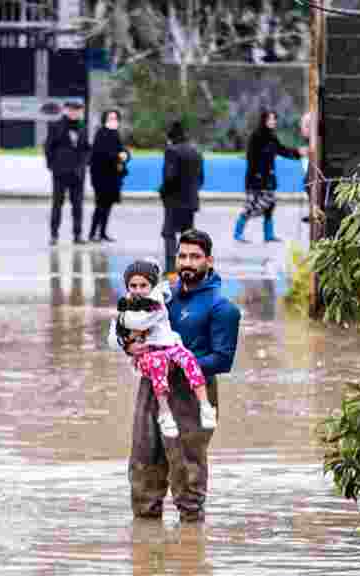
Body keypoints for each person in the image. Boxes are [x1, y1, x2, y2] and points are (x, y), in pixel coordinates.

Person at [110, 229, 241, 523]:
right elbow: (130, 327)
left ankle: (192, 552)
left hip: (192, 393)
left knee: (187, 476)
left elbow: (222, 360)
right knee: (143, 469)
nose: (187, 263)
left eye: (195, 257)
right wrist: (129, 345)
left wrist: (177, 364)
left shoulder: (223, 308)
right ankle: (145, 551)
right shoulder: (161, 295)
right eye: (182, 256)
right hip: (152, 389)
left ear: (209, 260)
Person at [108, 260, 217, 439]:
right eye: (133, 286)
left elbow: (142, 321)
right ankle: (164, 414)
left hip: (186, 363)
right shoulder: (134, 304)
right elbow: (115, 337)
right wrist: (127, 344)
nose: (137, 289)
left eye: (143, 285)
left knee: (190, 445)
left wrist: (125, 326)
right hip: (153, 365)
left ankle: (205, 406)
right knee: (149, 444)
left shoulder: (158, 299)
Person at [232, 110, 308, 243]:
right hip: (256, 179)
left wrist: (298, 153)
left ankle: (268, 235)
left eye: (274, 119)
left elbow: (282, 150)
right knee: (251, 205)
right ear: (264, 121)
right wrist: (257, 176)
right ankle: (238, 233)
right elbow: (251, 158)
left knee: (270, 206)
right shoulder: (256, 136)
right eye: (270, 119)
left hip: (269, 178)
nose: (273, 122)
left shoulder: (272, 137)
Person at [159, 121, 205, 276]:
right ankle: (188, 267)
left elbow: (169, 177)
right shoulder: (195, 151)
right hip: (191, 200)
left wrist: (163, 191)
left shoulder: (171, 151)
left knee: (169, 233)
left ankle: (171, 268)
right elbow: (201, 179)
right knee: (187, 236)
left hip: (174, 200)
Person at [45, 101, 91, 246]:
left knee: (77, 205)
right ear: (65, 110)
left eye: (77, 110)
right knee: (57, 204)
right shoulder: (55, 126)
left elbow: (87, 148)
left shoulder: (83, 127)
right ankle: (54, 235)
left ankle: (77, 235)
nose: (74, 113)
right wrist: (53, 166)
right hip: (60, 173)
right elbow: (48, 147)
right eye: (72, 110)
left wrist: (84, 164)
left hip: (78, 174)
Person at [88, 109, 131, 242]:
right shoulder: (101, 133)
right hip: (101, 176)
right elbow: (100, 154)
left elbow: (122, 150)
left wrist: (125, 155)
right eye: (110, 118)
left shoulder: (116, 133)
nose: (113, 120)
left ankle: (102, 233)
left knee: (108, 206)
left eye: (115, 118)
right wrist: (118, 155)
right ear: (105, 119)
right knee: (100, 205)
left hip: (113, 176)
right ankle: (93, 233)